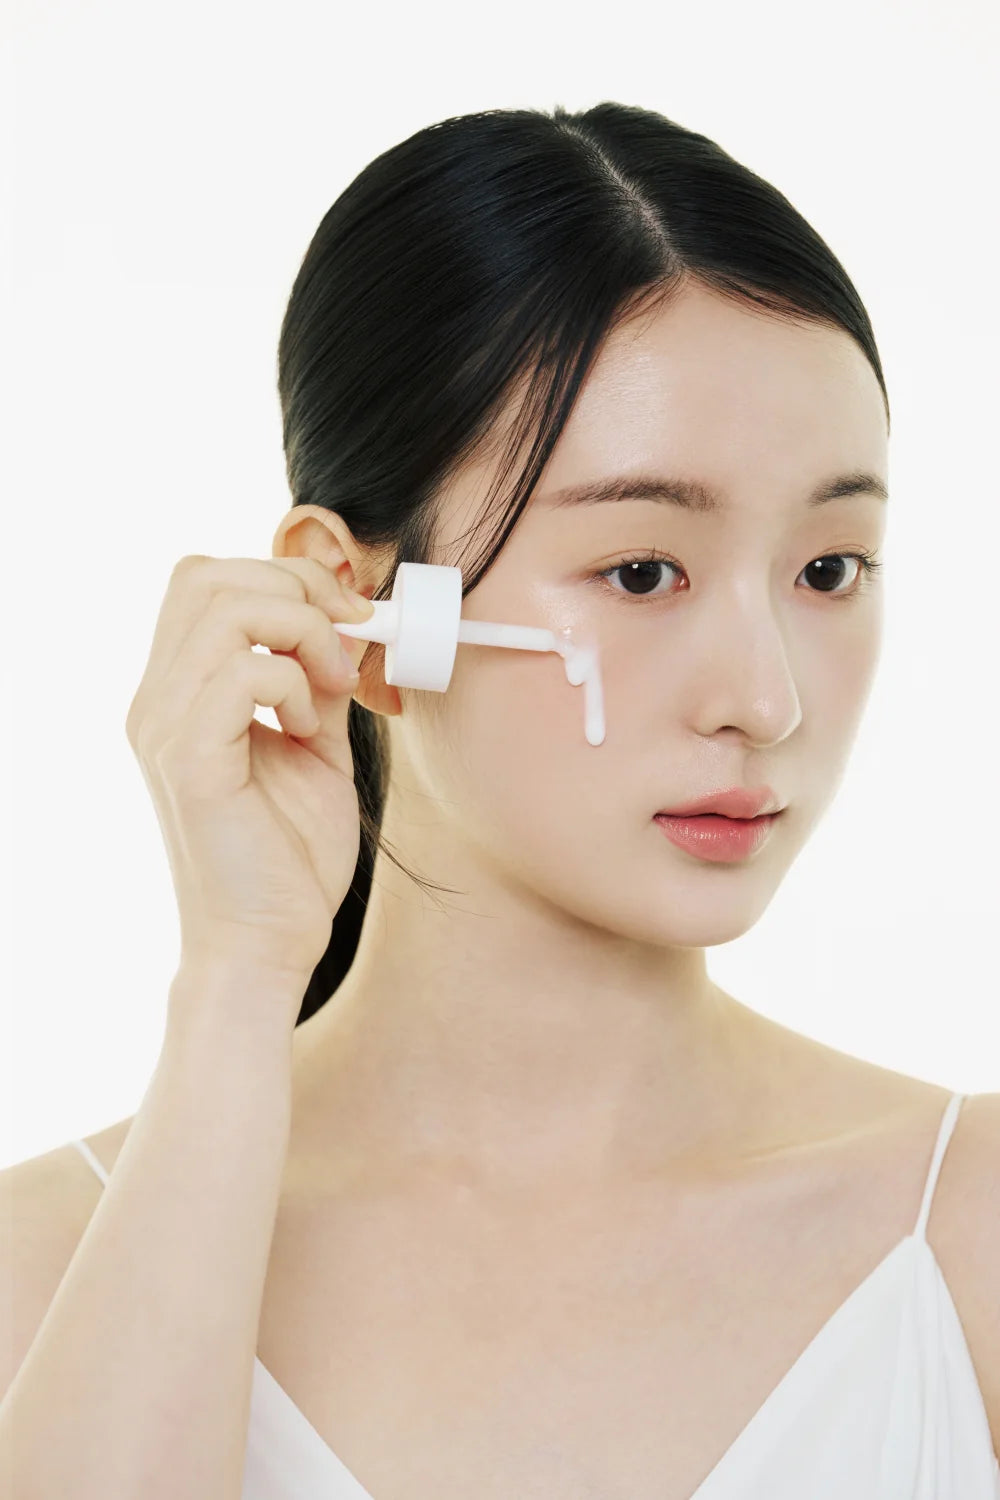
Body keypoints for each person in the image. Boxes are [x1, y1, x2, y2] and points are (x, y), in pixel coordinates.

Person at [2, 102, 998, 1499]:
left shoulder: (968, 1228)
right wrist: (235, 981)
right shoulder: (42, 1275)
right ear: (362, 603)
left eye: (829, 570)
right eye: (644, 572)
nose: (764, 700)